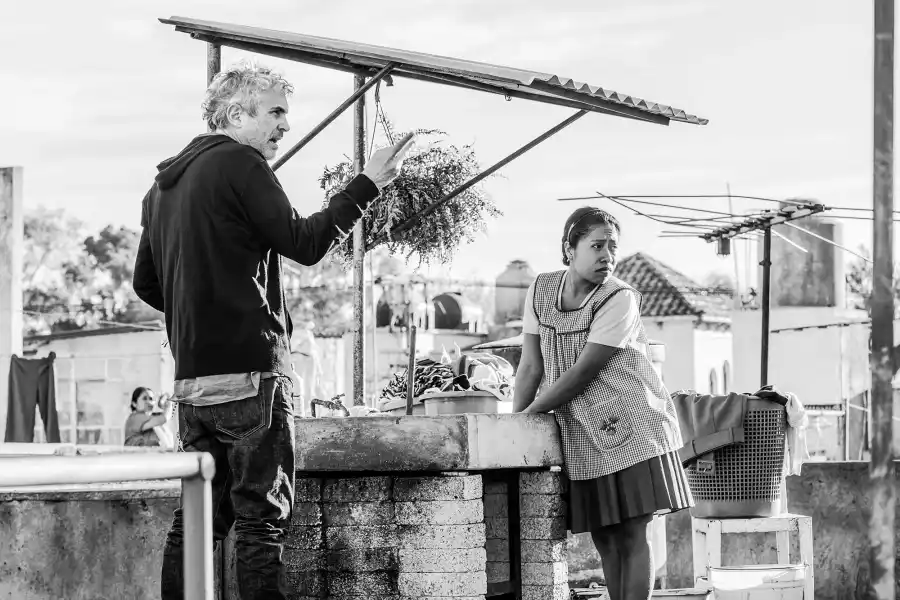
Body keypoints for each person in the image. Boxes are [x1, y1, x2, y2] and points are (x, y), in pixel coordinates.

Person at [132, 62, 415, 600]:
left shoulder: (161, 186)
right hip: (252, 378)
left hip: (192, 386)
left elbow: (147, 282)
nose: (285, 125)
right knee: (262, 524)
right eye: (276, 112)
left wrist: (201, 317)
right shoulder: (241, 163)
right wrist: (368, 185)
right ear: (236, 114)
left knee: (196, 524)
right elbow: (304, 243)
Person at [513, 207, 692, 600]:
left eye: (613, 246)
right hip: (582, 433)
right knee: (604, 538)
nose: (607, 255)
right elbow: (530, 366)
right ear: (569, 248)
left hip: (633, 425)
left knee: (631, 533)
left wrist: (531, 414)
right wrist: (512, 427)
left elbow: (582, 373)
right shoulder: (540, 291)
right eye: (597, 245)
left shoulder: (620, 298)